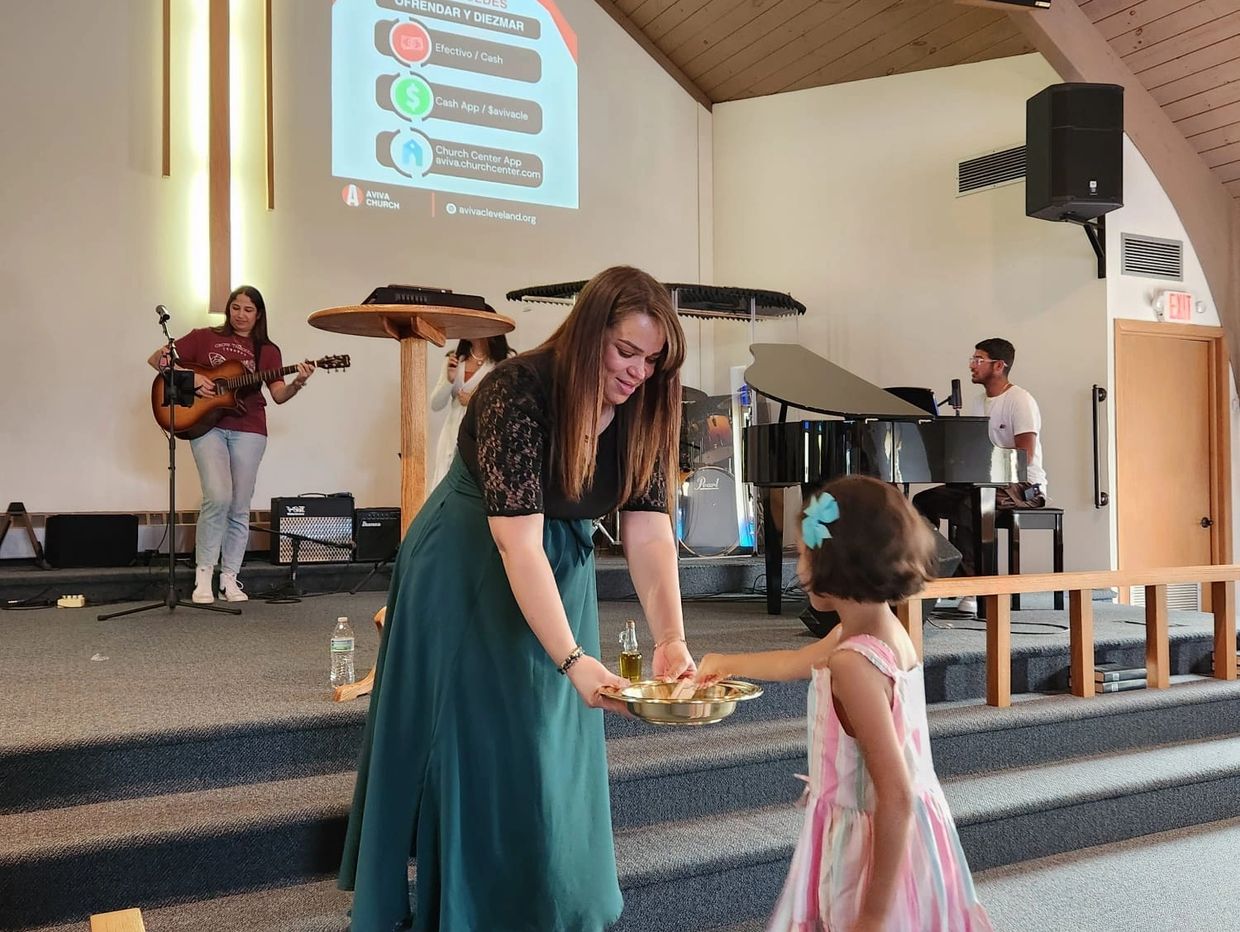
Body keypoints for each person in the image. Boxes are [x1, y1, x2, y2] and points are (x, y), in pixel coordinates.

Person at [339, 266, 697, 931]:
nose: (638, 372)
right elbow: (516, 544)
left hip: (556, 565)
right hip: (471, 560)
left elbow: (648, 532)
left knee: (548, 743)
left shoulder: (649, 403)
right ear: (589, 334)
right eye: (626, 352)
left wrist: (670, 639)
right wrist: (572, 659)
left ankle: (547, 901)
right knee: (482, 739)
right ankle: (468, 909)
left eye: (652, 360)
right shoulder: (516, 391)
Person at [695, 476, 993, 932]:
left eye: (803, 553)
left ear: (832, 563)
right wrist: (724, 661)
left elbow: (894, 795)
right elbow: (796, 662)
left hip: (870, 843)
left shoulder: (854, 664)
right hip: (915, 839)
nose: (798, 567)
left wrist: (872, 915)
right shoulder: (879, 629)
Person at [146, 285, 313, 604]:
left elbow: (278, 395)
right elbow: (158, 359)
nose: (241, 314)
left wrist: (298, 382)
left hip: (250, 428)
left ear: (259, 314)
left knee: (239, 504)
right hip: (206, 425)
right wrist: (193, 379)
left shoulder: (267, 350)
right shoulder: (202, 337)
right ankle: (203, 575)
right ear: (229, 309)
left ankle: (230, 578)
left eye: (248, 309)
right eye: (236, 307)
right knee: (217, 496)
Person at [913, 337, 1047, 615]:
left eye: (978, 360)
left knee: (970, 505)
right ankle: (937, 572)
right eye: (972, 359)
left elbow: (1025, 455)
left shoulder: (1019, 400)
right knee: (923, 502)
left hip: (1023, 486)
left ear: (999, 366)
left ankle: (971, 588)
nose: (971, 365)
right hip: (983, 483)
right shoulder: (978, 402)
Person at [429, 332, 513, 487]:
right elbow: (436, 404)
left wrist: (475, 401)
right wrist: (450, 380)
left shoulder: (504, 362)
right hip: (452, 431)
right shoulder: (454, 359)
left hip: (483, 432)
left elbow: (507, 403)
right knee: (444, 481)